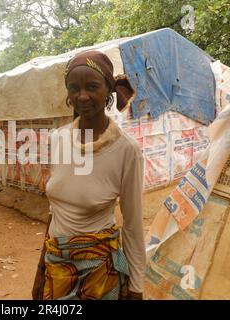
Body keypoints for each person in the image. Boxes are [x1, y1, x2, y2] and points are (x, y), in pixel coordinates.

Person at [32, 50, 146, 300]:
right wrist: (41, 270)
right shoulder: (58, 139)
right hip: (57, 265)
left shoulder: (126, 151)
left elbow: (133, 226)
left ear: (108, 91)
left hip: (100, 273)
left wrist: (136, 289)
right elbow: (54, 213)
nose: (82, 96)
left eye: (92, 87)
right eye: (74, 88)